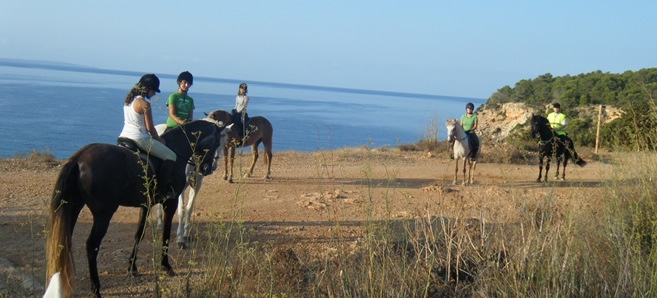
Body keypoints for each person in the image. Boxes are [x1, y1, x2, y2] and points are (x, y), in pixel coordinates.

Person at [119, 74, 176, 199]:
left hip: (123, 137)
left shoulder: (128, 100)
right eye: (153, 90)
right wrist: (160, 140)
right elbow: (150, 129)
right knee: (171, 156)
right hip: (139, 138)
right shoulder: (144, 104)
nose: (154, 94)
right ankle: (161, 191)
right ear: (146, 88)